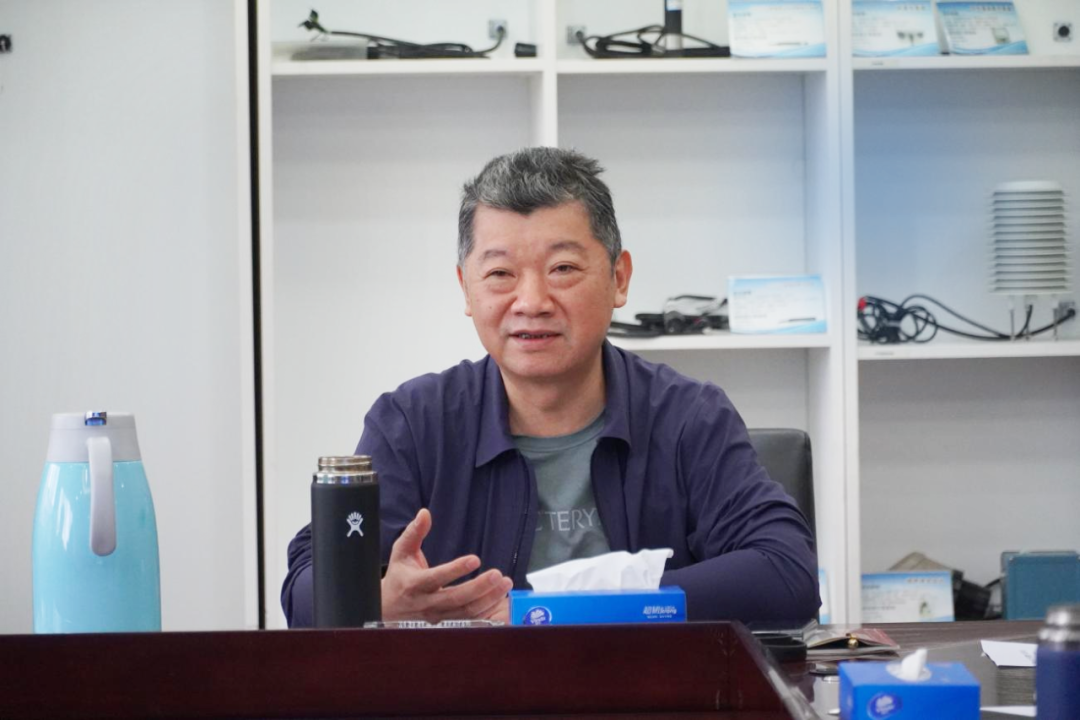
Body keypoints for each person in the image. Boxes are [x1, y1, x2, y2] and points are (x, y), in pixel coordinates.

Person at [282, 147, 819, 627]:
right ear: (465, 287)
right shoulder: (414, 423)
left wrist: (566, 609)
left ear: (619, 278)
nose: (532, 301)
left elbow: (788, 574)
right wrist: (374, 601)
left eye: (562, 268)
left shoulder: (687, 417)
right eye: (500, 274)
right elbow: (304, 586)